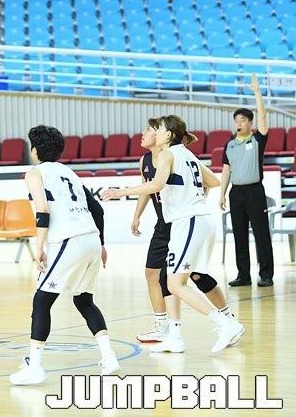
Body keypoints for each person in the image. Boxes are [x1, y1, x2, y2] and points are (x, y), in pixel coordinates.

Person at [102, 115, 245, 354]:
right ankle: (176, 337)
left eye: (157, 129)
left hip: (188, 221)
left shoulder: (168, 154)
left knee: (176, 284)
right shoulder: (187, 155)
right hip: (194, 221)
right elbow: (213, 181)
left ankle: (226, 323)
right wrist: (194, 196)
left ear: (168, 135)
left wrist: (120, 192)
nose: (154, 132)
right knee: (172, 280)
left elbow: (156, 185)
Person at [9, 126, 120, 386]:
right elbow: (97, 210)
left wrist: (39, 247)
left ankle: (35, 367)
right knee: (84, 300)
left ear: (35, 150)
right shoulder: (70, 173)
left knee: (42, 301)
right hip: (91, 239)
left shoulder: (34, 173)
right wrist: (101, 244)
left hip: (68, 240)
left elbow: (43, 211)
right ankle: (109, 358)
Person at [220, 74, 274, 288]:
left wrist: (257, 92)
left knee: (261, 234)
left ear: (250, 123)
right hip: (236, 193)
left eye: (243, 120)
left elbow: (263, 117)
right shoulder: (229, 145)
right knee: (239, 236)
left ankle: (266, 274)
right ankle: (243, 274)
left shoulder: (258, 139)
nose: (239, 123)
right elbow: (226, 170)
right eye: (236, 120)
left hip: (254, 192)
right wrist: (222, 194)